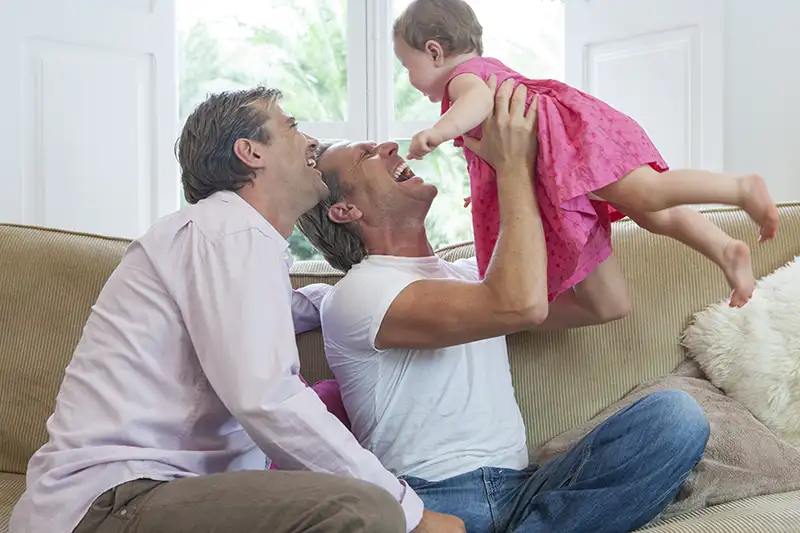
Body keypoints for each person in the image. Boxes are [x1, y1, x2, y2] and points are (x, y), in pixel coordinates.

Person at [9, 87, 465, 533]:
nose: (310, 142)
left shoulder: (230, 238)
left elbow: (269, 314)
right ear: (251, 152)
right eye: (290, 127)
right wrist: (414, 514)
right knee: (363, 511)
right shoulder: (228, 230)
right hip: (114, 501)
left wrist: (344, 299)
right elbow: (268, 399)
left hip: (154, 497)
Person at [297, 77, 710, 533]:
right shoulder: (357, 294)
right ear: (345, 211)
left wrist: (564, 179)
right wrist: (513, 166)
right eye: (366, 155)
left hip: (522, 491)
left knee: (677, 418)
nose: (389, 149)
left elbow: (605, 303)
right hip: (431, 503)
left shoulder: (475, 276)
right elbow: (519, 306)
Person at [394, 0, 779, 309]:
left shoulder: (465, 80)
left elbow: (476, 102)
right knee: (653, 213)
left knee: (649, 193)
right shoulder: (485, 70)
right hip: (566, 152)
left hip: (573, 147)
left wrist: (438, 131)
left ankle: (739, 188)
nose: (409, 80)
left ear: (434, 52)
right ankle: (725, 249)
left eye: (406, 66)